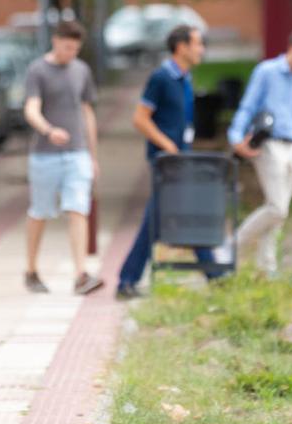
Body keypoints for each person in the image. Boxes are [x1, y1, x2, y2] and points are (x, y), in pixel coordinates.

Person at [115, 25, 221, 299]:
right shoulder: (161, 77)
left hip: (180, 160)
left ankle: (214, 275)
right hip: (165, 161)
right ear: (181, 47)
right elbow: (140, 118)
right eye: (198, 44)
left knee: (183, 215)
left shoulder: (185, 78)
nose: (201, 50)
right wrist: (168, 146)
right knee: (162, 219)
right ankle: (127, 280)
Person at [226, 26, 292, 274]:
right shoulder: (266, 72)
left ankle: (267, 268)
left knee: (279, 212)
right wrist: (236, 137)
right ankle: (230, 247)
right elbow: (248, 106)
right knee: (278, 208)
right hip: (269, 144)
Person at [21, 21, 104, 295]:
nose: (71, 53)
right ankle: (31, 269)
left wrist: (93, 155)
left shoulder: (81, 70)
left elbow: (87, 112)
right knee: (41, 211)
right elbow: (31, 109)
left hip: (77, 152)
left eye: (76, 49)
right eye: (67, 47)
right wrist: (48, 130)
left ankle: (80, 274)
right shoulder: (38, 70)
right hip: (45, 155)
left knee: (78, 208)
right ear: (56, 41)